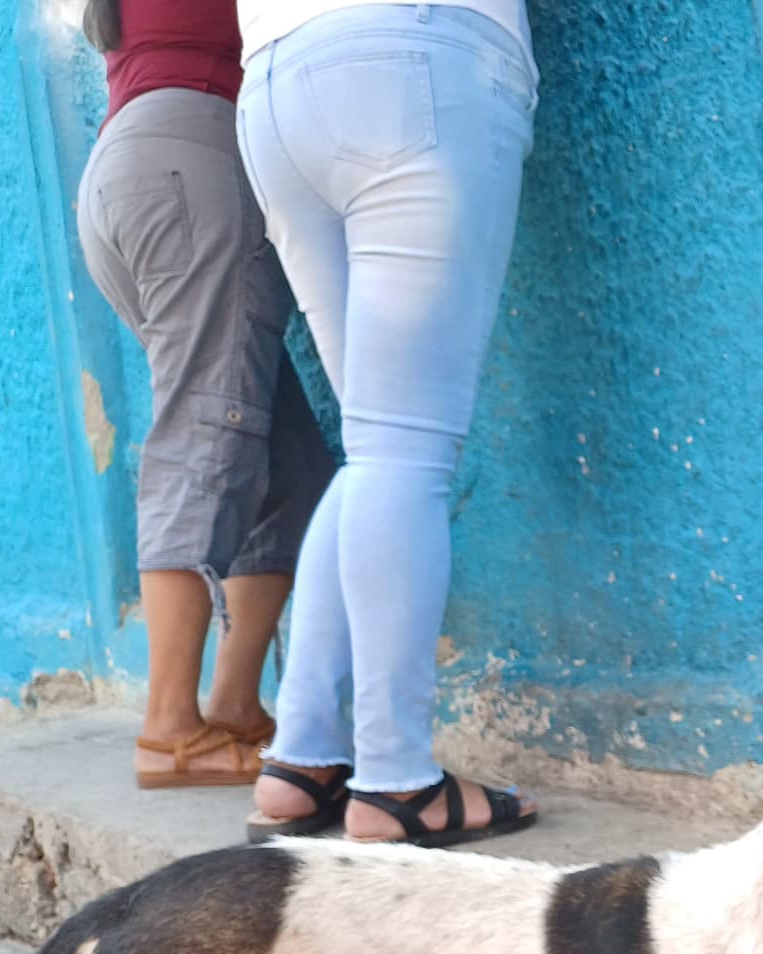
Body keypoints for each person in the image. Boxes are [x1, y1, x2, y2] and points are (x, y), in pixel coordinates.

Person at [235, 0, 540, 845]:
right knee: (403, 453)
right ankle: (398, 780)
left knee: (378, 449)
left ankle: (304, 757)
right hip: (416, 57)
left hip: (272, 82)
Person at [74, 0, 330, 789]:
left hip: (135, 167)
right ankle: (170, 729)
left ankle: (231, 705)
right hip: (191, 161)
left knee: (288, 467)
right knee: (205, 431)